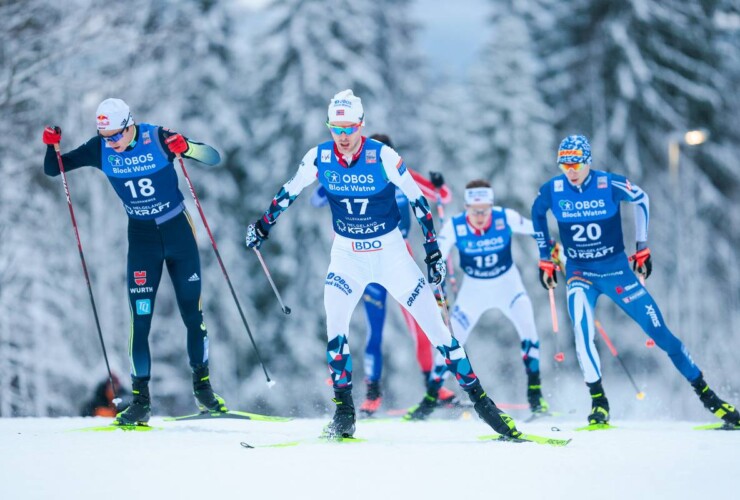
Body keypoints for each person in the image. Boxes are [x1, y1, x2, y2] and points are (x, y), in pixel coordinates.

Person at [245, 89, 521, 439]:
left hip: (391, 256)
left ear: (361, 125)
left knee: (439, 334)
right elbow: (290, 190)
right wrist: (263, 226)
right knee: (336, 327)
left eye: (349, 128)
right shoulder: (318, 157)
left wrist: (433, 253)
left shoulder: (383, 156)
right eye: (336, 128)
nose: (343, 137)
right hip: (347, 256)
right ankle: (344, 413)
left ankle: (486, 408)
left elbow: (420, 201)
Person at [531, 134, 739, 426]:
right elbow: (537, 213)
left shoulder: (607, 184)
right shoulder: (553, 190)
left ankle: (708, 396)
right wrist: (545, 256)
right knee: (582, 331)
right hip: (581, 274)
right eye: (565, 166)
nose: (572, 172)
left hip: (618, 272)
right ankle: (599, 402)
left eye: (576, 164)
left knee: (660, 333)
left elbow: (641, 198)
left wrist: (642, 248)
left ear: (587, 161)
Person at [43, 98, 228, 426]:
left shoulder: (156, 137)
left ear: (130, 126)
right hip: (141, 240)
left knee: (192, 314)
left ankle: (203, 390)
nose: (111, 143)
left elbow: (212, 157)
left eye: (116, 136)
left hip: (178, 233)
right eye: (105, 137)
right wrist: (51, 146)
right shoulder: (99, 149)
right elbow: (53, 167)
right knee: (140, 320)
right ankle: (141, 401)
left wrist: (186, 147)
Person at [310, 133, 457, 416]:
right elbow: (317, 200)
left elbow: (442, 197)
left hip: (398, 256)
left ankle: (433, 386)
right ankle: (372, 394)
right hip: (361, 257)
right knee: (374, 327)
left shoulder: (400, 172)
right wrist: (327, 179)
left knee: (421, 323)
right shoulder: (350, 174)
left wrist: (440, 185)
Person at [406, 179, 550, 420]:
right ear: (467, 207)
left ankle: (536, 398)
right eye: (475, 211)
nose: (481, 216)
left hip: (508, 287)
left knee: (530, 332)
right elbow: (437, 247)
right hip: (474, 292)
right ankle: (430, 398)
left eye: (485, 210)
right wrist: (437, 263)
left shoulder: (505, 217)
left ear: (491, 206)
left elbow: (537, 228)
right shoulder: (456, 225)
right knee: (450, 340)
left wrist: (553, 247)